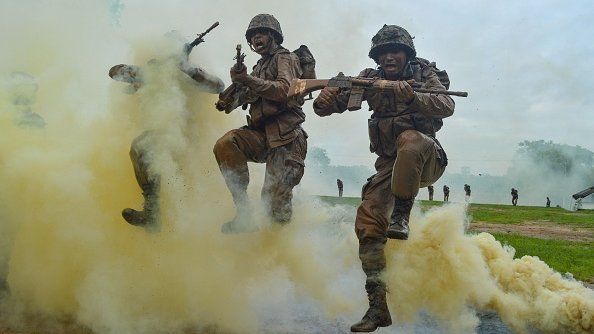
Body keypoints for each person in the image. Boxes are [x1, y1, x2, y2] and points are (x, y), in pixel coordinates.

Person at [313, 24, 454, 332]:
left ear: (407, 54)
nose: (389, 57)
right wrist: (323, 101)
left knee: (410, 140)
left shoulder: (423, 74)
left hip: (426, 157)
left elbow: (447, 105)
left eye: (396, 51)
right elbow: (333, 104)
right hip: (389, 166)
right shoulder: (369, 77)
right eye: (383, 53)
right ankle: (378, 307)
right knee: (367, 224)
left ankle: (402, 216)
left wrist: (415, 98)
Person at [109, 46, 224, 229]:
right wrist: (146, 72)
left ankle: (155, 213)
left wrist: (188, 69)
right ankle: (151, 212)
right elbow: (114, 72)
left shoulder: (190, 76)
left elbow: (218, 86)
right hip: (162, 133)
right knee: (140, 148)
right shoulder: (155, 75)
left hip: (187, 135)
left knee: (141, 147)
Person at [213, 14, 307, 233]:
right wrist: (228, 101)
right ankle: (244, 214)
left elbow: (285, 90)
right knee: (226, 144)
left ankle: (283, 254)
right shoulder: (258, 67)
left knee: (273, 208)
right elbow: (247, 95)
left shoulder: (285, 58)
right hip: (262, 136)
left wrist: (246, 79)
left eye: (261, 33)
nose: (256, 39)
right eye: (253, 35)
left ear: (273, 36)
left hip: (287, 138)